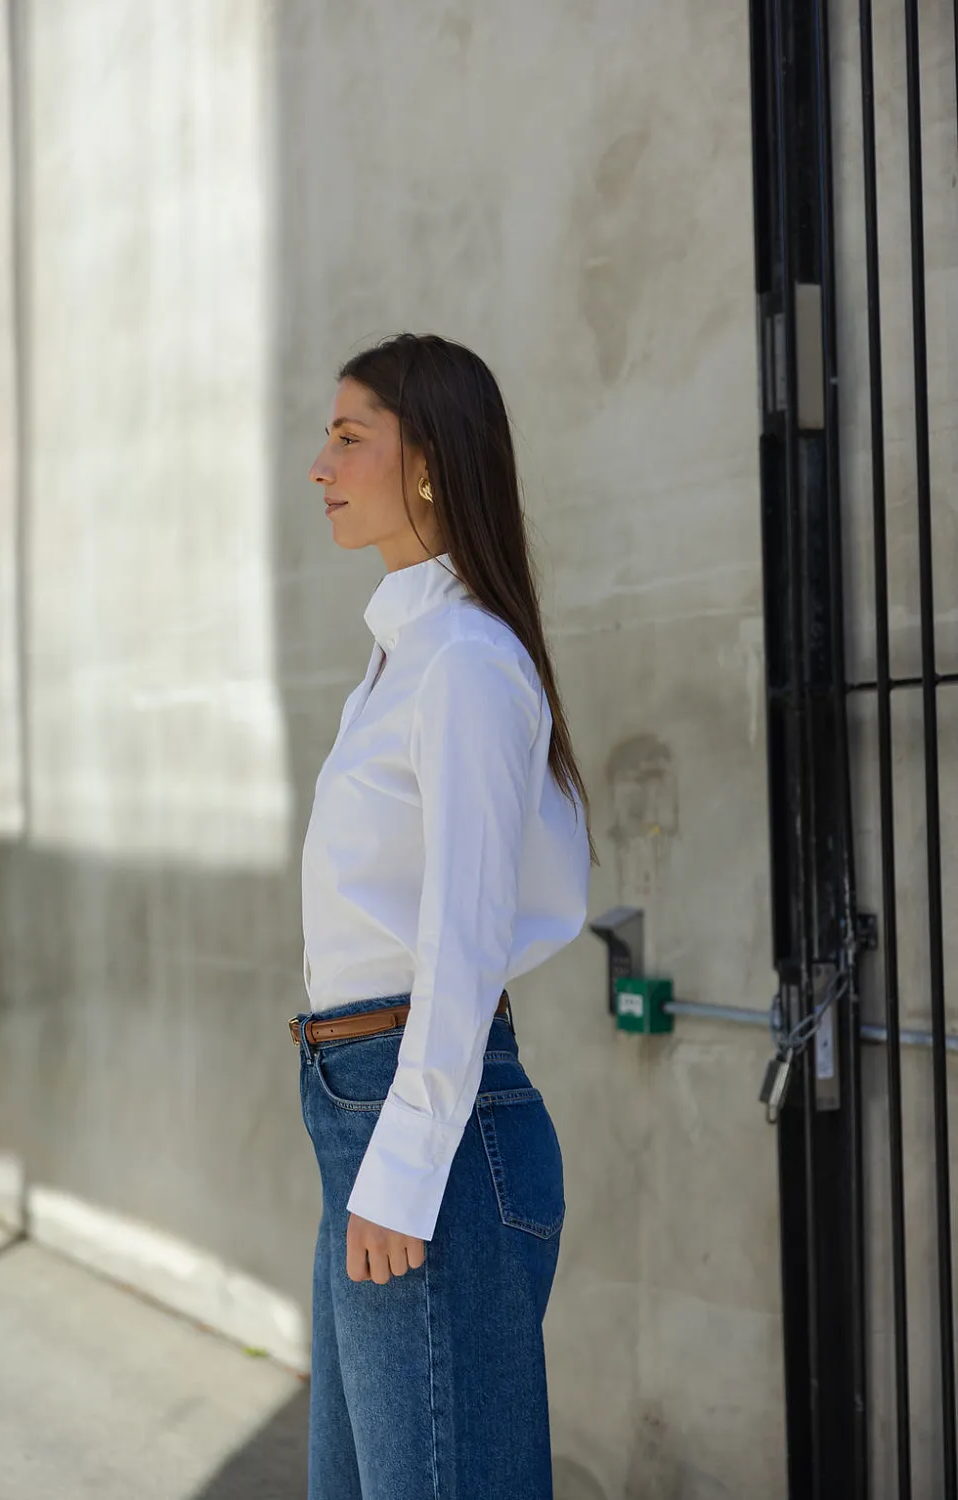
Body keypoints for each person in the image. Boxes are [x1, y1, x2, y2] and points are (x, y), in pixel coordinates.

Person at [291, 332, 598, 1499]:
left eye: (348, 436)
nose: (320, 465)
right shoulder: (400, 660)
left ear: (426, 462)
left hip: (424, 1122)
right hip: (363, 1108)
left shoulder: (463, 660)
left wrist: (405, 1163)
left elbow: (463, 938)